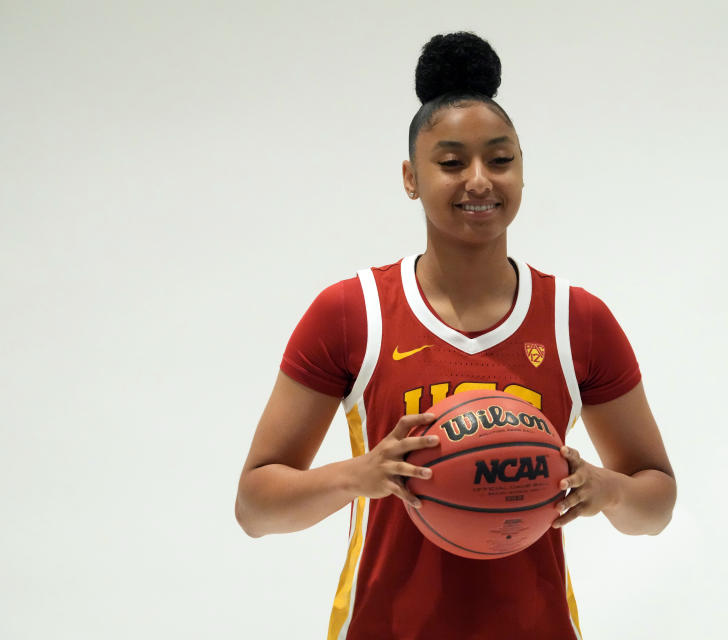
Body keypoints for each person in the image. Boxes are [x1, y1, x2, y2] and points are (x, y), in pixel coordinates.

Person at [235, 31, 676, 640]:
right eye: (450, 162)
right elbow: (255, 507)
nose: (478, 180)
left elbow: (657, 504)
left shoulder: (578, 320)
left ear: (522, 169)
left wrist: (606, 490)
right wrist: (359, 475)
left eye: (500, 159)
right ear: (411, 178)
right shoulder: (351, 312)